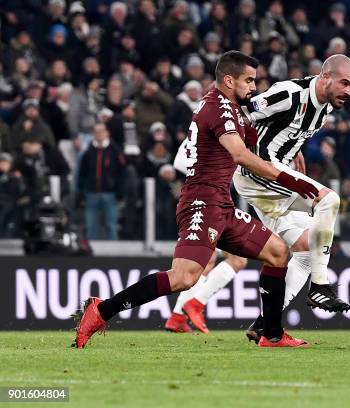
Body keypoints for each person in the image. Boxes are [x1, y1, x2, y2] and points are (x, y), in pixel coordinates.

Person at [74, 51, 320, 349]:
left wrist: (290, 152)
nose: (254, 87)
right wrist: (289, 178)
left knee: (278, 253)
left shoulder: (226, 105)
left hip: (222, 206)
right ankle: (102, 310)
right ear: (229, 80)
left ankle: (272, 334)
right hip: (202, 204)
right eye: (249, 80)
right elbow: (240, 154)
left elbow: (255, 139)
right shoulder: (220, 109)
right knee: (183, 277)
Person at [170, 55, 350, 341]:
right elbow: (242, 110)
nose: (349, 91)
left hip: (271, 177)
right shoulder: (290, 94)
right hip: (259, 172)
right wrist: (234, 150)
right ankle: (320, 286)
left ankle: (264, 324)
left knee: (307, 248)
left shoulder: (325, 108)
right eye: (345, 83)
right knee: (328, 200)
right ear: (325, 78)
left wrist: (295, 153)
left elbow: (285, 131)